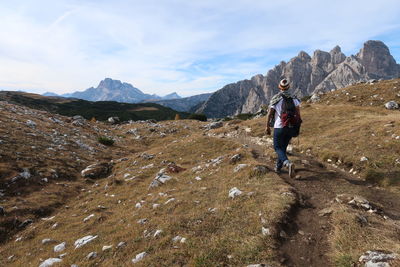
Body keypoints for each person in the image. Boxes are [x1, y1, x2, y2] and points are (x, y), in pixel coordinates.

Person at [265, 78, 301, 177]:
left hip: (279, 126)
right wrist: (297, 125)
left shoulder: (276, 98)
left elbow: (269, 114)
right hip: (290, 126)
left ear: (280, 88)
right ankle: (278, 166)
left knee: (277, 147)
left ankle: (287, 163)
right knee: (283, 147)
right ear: (289, 87)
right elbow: (298, 113)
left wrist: (267, 126)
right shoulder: (294, 98)